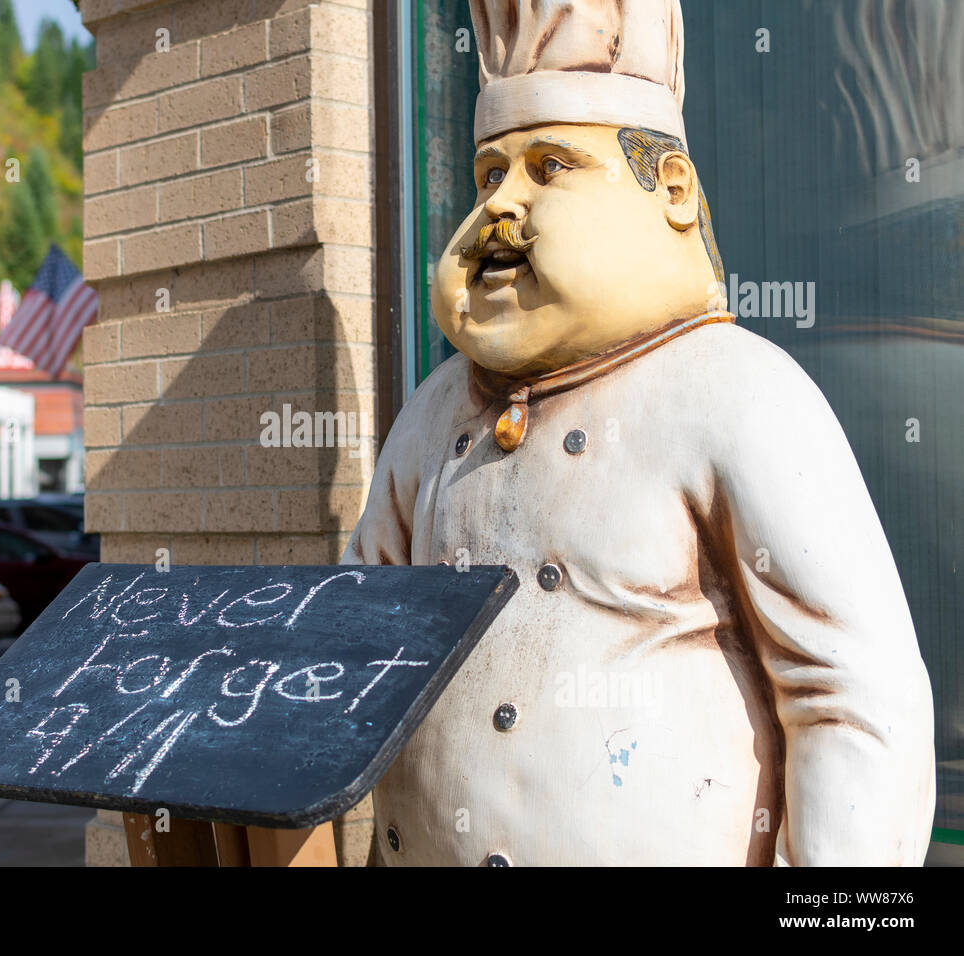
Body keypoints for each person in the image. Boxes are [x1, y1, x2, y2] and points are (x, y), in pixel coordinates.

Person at [344, 0, 935, 866]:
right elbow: (353, 649)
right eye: (486, 175)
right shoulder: (431, 416)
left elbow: (853, 697)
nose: (500, 206)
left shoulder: (736, 392)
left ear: (671, 193)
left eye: (549, 167)